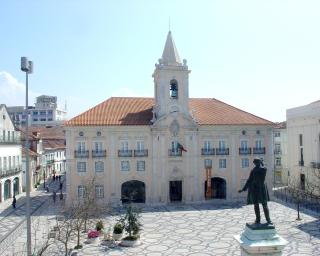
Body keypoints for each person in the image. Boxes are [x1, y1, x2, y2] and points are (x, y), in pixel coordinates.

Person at [238, 158, 272, 224]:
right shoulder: (263, 169)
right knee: (264, 205)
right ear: (259, 162)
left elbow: (249, 181)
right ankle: (268, 220)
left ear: (254, 163)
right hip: (261, 188)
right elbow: (264, 167)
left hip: (255, 188)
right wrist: (262, 162)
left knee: (257, 205)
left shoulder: (253, 170)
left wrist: (243, 189)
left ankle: (258, 219)